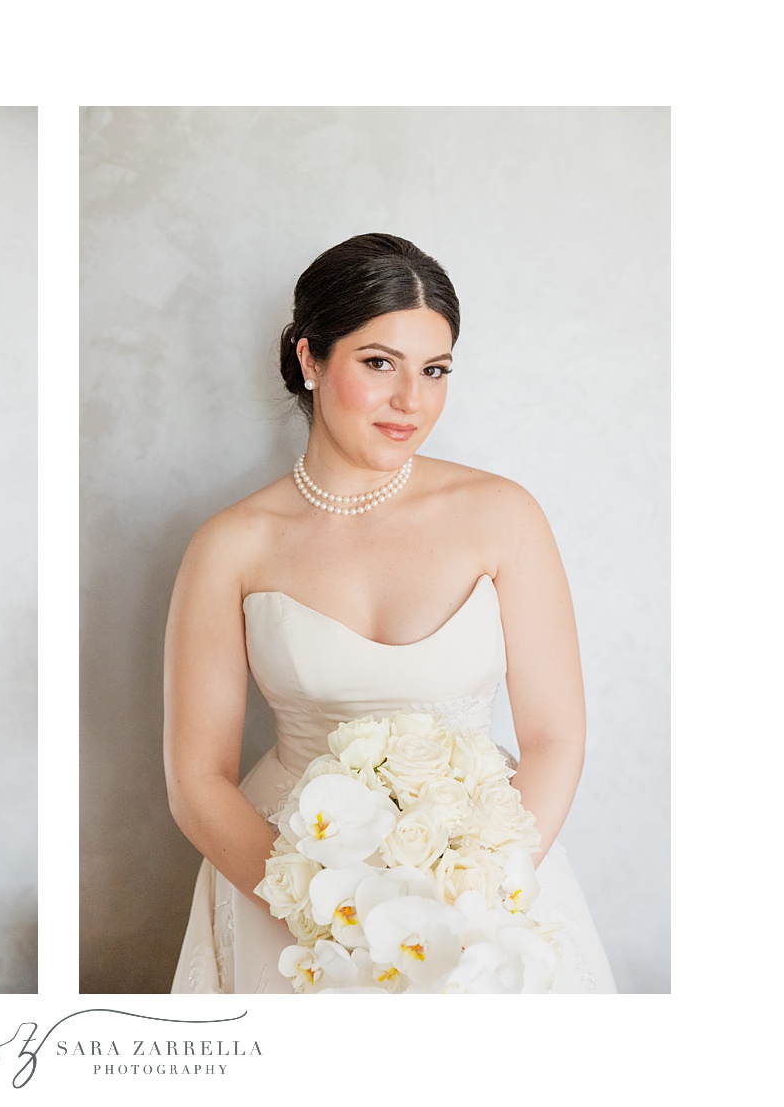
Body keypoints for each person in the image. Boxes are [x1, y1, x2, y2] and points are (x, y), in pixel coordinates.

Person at [164, 233, 616, 993]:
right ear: (310, 360)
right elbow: (196, 778)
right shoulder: (229, 545)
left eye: (434, 371)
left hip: (481, 882)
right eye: (378, 363)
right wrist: (322, 915)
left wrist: (477, 896)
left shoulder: (501, 515)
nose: (412, 400)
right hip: (280, 883)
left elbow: (554, 737)